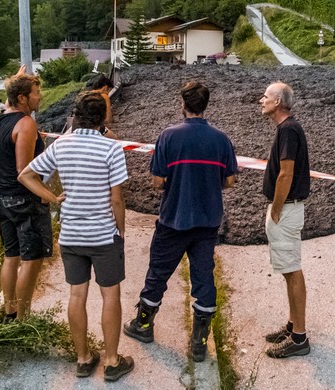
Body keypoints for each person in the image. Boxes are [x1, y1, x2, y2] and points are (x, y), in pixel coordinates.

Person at [18, 91, 134, 382]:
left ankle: (83, 359)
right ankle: (111, 361)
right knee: (110, 296)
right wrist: (121, 229)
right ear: (102, 118)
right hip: (103, 235)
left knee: (77, 294)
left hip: (71, 235)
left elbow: (26, 175)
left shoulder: (61, 145)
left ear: (77, 115)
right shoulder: (111, 149)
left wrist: (53, 198)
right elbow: (117, 200)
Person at [123, 81, 237, 362]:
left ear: (182, 104)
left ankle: (144, 325)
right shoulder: (221, 139)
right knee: (203, 277)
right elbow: (231, 181)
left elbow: (158, 182)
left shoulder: (168, 136)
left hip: (173, 219)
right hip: (207, 222)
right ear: (205, 105)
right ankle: (199, 342)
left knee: (158, 273)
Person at [0, 72, 58, 322]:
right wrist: (48, 196)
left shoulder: (0, 118)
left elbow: (9, 98)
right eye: (36, 93)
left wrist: (17, 78)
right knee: (32, 259)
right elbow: (24, 171)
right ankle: (23, 320)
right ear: (22, 98)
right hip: (23, 201)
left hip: (1, 197)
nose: (40, 97)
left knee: (11, 255)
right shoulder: (26, 124)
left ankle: (10, 312)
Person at [259, 81, 311, 358]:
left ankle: (299, 338)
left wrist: (276, 209)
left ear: (278, 102)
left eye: (266, 96)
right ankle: (293, 326)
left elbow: (286, 174)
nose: (261, 100)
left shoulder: (289, 130)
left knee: (292, 270)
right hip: (287, 209)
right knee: (289, 269)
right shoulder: (288, 128)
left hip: (287, 210)